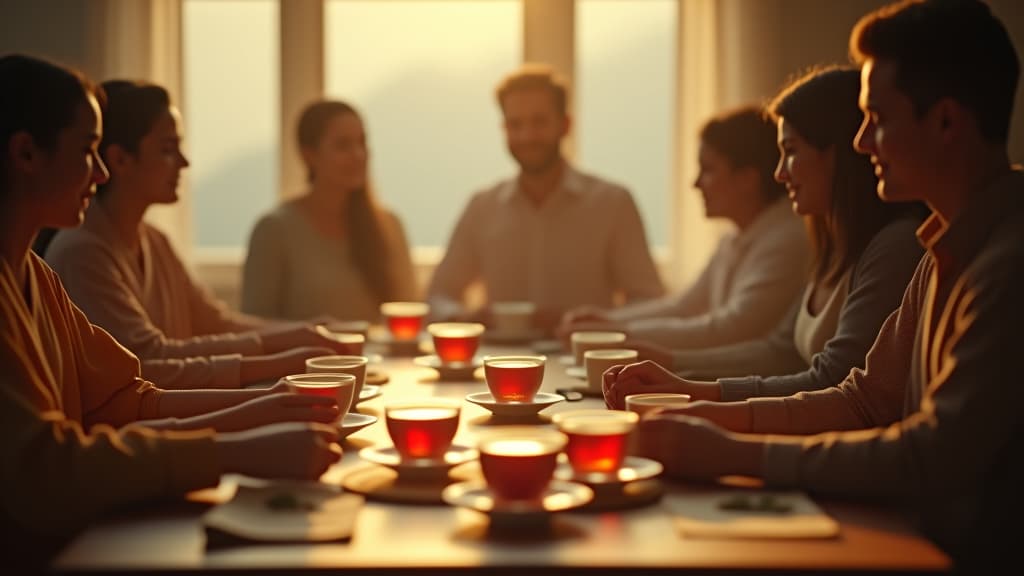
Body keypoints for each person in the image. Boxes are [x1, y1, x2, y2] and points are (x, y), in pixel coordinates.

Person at [607, 0, 1022, 568]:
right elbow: (863, 398)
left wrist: (736, 451)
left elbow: (934, 454)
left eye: (877, 119)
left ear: (947, 122)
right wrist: (701, 413)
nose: (862, 143)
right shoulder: (940, 246)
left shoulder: (1006, 263)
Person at [0, 54, 341, 571]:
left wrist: (261, 408)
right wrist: (236, 450)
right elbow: (46, 470)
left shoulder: (37, 276)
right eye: (88, 151)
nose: (100, 173)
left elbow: (124, 400)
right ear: (26, 153)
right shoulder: (73, 255)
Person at [603, 67, 926, 405]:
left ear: (839, 153)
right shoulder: (832, 244)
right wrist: (673, 366)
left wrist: (689, 387)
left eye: (791, 151)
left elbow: (831, 379)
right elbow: (782, 350)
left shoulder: (890, 246)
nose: (780, 173)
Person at [41, 81, 356, 390]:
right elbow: (148, 359)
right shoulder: (83, 253)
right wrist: (285, 356)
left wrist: (306, 333)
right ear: (121, 159)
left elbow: (215, 322)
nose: (183, 162)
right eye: (168, 149)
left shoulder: (154, 240)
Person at [426, 63, 665, 333]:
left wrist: (593, 322)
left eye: (539, 122)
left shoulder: (613, 203)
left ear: (565, 125)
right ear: (503, 128)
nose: (527, 136)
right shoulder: (481, 207)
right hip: (498, 368)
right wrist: (467, 318)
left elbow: (649, 300)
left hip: (583, 365)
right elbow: (438, 296)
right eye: (516, 124)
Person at [560, 106, 811, 350]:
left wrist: (614, 332)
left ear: (747, 179)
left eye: (708, 170)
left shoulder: (787, 240)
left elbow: (731, 328)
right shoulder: (735, 239)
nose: (696, 183)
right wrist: (608, 321)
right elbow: (685, 306)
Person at [242, 99, 417, 322]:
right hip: (309, 357)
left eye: (362, 143)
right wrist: (308, 333)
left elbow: (409, 313)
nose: (358, 155)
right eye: (343, 146)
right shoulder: (274, 231)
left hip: (378, 358)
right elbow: (254, 323)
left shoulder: (390, 225)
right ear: (309, 155)